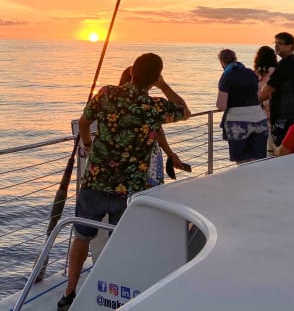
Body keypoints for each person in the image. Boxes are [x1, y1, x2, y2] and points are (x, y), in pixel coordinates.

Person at [58, 53, 191, 311]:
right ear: (154, 79)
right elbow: (185, 111)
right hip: (129, 189)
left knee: (82, 237)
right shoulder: (155, 107)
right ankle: (115, 296)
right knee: (120, 243)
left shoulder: (107, 94)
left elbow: (85, 122)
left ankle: (70, 293)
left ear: (131, 73)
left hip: (95, 180)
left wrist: (87, 144)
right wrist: (163, 86)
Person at [119, 66, 184, 186]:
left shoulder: (114, 104)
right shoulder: (150, 107)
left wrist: (170, 154)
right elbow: (183, 110)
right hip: (148, 160)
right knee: (150, 194)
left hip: (121, 160)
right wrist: (164, 86)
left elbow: (157, 130)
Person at [258, 32, 294, 149]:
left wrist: (253, 101)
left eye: (280, 43)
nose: (277, 46)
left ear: (290, 46)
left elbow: (268, 89)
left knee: (283, 151)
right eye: (276, 43)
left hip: (286, 117)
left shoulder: (285, 64)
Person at [216, 49, 267, 163]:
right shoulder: (250, 73)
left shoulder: (227, 76)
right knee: (257, 160)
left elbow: (222, 105)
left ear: (222, 62)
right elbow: (258, 96)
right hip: (259, 118)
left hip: (238, 122)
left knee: (242, 161)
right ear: (235, 58)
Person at [254, 46, 278, 156]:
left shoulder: (256, 73)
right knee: (273, 145)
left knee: (261, 147)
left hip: (259, 113)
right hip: (273, 111)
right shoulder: (276, 72)